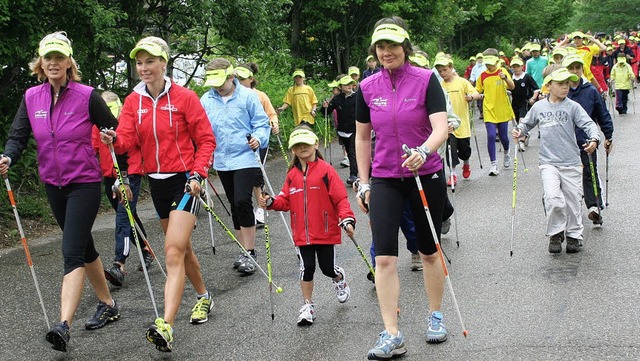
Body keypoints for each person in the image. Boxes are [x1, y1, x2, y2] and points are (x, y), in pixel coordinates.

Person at [1, 31, 120, 352]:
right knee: (84, 246)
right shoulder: (31, 97)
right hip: (53, 185)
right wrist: (8, 156)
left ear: (69, 62)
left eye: (59, 57)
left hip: (84, 183)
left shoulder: (87, 96)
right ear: (41, 62)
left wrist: (111, 137)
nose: (54, 63)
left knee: (71, 252)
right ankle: (108, 303)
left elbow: (114, 130)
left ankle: (63, 325)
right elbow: (18, 137)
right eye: (48, 58)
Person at [102, 36, 216, 352]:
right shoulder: (132, 101)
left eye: (149, 61)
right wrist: (111, 138)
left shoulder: (184, 98)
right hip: (157, 182)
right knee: (182, 249)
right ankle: (204, 296)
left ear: (163, 62)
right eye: (139, 62)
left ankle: (165, 324)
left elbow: (206, 140)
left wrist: (198, 174)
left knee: (172, 252)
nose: (143, 68)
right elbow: (126, 143)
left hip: (185, 181)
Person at [355, 16, 449, 359]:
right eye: (380, 46)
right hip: (384, 178)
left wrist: (424, 151)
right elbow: (363, 138)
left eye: (392, 45)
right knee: (384, 258)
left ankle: (435, 315)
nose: (386, 52)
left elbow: (441, 128)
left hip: (425, 174)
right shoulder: (367, 87)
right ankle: (391, 333)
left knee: (427, 251)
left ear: (404, 48)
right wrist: (363, 182)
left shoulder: (426, 80)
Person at [259, 126, 355, 326]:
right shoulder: (292, 175)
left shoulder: (326, 170)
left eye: (306, 143)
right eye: (297, 145)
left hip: (325, 230)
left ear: (315, 144)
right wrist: (271, 202)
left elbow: (340, 199)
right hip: (302, 233)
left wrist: (347, 218)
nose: (302, 147)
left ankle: (338, 277)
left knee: (327, 268)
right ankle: (307, 305)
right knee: (307, 267)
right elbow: (285, 200)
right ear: (293, 150)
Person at [513, 68, 600, 253]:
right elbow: (526, 124)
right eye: (560, 84)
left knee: (572, 201)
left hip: (571, 162)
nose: (565, 87)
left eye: (567, 84)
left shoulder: (573, 107)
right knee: (553, 198)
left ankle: (574, 236)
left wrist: (594, 139)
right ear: (549, 85)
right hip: (548, 162)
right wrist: (519, 131)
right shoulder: (539, 107)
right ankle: (556, 233)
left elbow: (589, 124)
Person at [200, 58, 271, 275]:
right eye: (213, 82)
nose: (217, 86)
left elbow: (261, 123)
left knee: (242, 200)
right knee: (234, 204)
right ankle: (243, 250)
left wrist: (258, 139)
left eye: (221, 81)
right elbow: (201, 128)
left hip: (246, 157)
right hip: (222, 159)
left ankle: (250, 251)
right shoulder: (206, 99)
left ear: (231, 77)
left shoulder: (248, 96)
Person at [92, 91, 154, 287]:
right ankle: (146, 250)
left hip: (130, 175)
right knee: (130, 216)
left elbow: (135, 144)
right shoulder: (96, 126)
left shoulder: (128, 122)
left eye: (113, 108)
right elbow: (93, 149)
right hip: (108, 175)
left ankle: (119, 264)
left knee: (122, 217)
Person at [563, 54, 614, 225]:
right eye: (571, 68)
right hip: (565, 142)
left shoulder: (591, 90)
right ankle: (569, 212)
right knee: (567, 178)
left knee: (589, 173)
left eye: (578, 68)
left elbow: (602, 114)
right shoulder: (561, 91)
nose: (575, 71)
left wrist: (608, 135)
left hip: (586, 141)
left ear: (582, 69)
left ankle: (594, 207)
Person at [233, 63, 280, 226]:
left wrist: (274, 124)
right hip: (239, 145)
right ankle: (246, 208)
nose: (239, 81)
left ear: (251, 79)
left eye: (242, 79)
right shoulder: (231, 96)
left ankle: (260, 208)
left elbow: (271, 114)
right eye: (236, 78)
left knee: (257, 174)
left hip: (258, 142)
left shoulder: (260, 95)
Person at [434, 55, 478, 181]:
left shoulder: (462, 82)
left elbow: (475, 93)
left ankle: (466, 164)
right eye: (440, 71)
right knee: (450, 150)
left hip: (463, 123)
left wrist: (471, 97)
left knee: (464, 150)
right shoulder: (439, 86)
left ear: (451, 68)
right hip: (448, 124)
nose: (442, 73)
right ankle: (452, 173)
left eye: (444, 70)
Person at [474, 48, 516, 176]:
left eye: (491, 63)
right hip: (488, 109)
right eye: (487, 63)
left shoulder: (502, 72)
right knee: (491, 136)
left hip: (502, 108)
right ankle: (493, 165)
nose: (489, 66)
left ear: (497, 61)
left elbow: (512, 86)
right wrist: (471, 96)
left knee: (504, 137)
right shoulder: (483, 75)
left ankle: (506, 152)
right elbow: (478, 90)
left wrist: (505, 79)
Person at [323, 75, 359, 185]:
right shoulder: (337, 99)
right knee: (349, 152)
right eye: (346, 84)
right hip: (343, 130)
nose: (349, 86)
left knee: (352, 152)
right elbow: (327, 112)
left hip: (355, 129)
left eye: (350, 84)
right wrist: (324, 106)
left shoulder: (357, 97)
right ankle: (368, 169)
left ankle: (353, 174)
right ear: (340, 86)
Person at [509, 57, 540, 151]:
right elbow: (508, 89)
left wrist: (533, 98)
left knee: (522, 121)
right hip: (514, 103)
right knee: (516, 122)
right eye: (514, 66)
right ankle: (525, 135)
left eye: (517, 66)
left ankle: (521, 142)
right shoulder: (510, 78)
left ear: (522, 66)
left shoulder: (527, 77)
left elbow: (536, 89)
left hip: (525, 102)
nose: (516, 68)